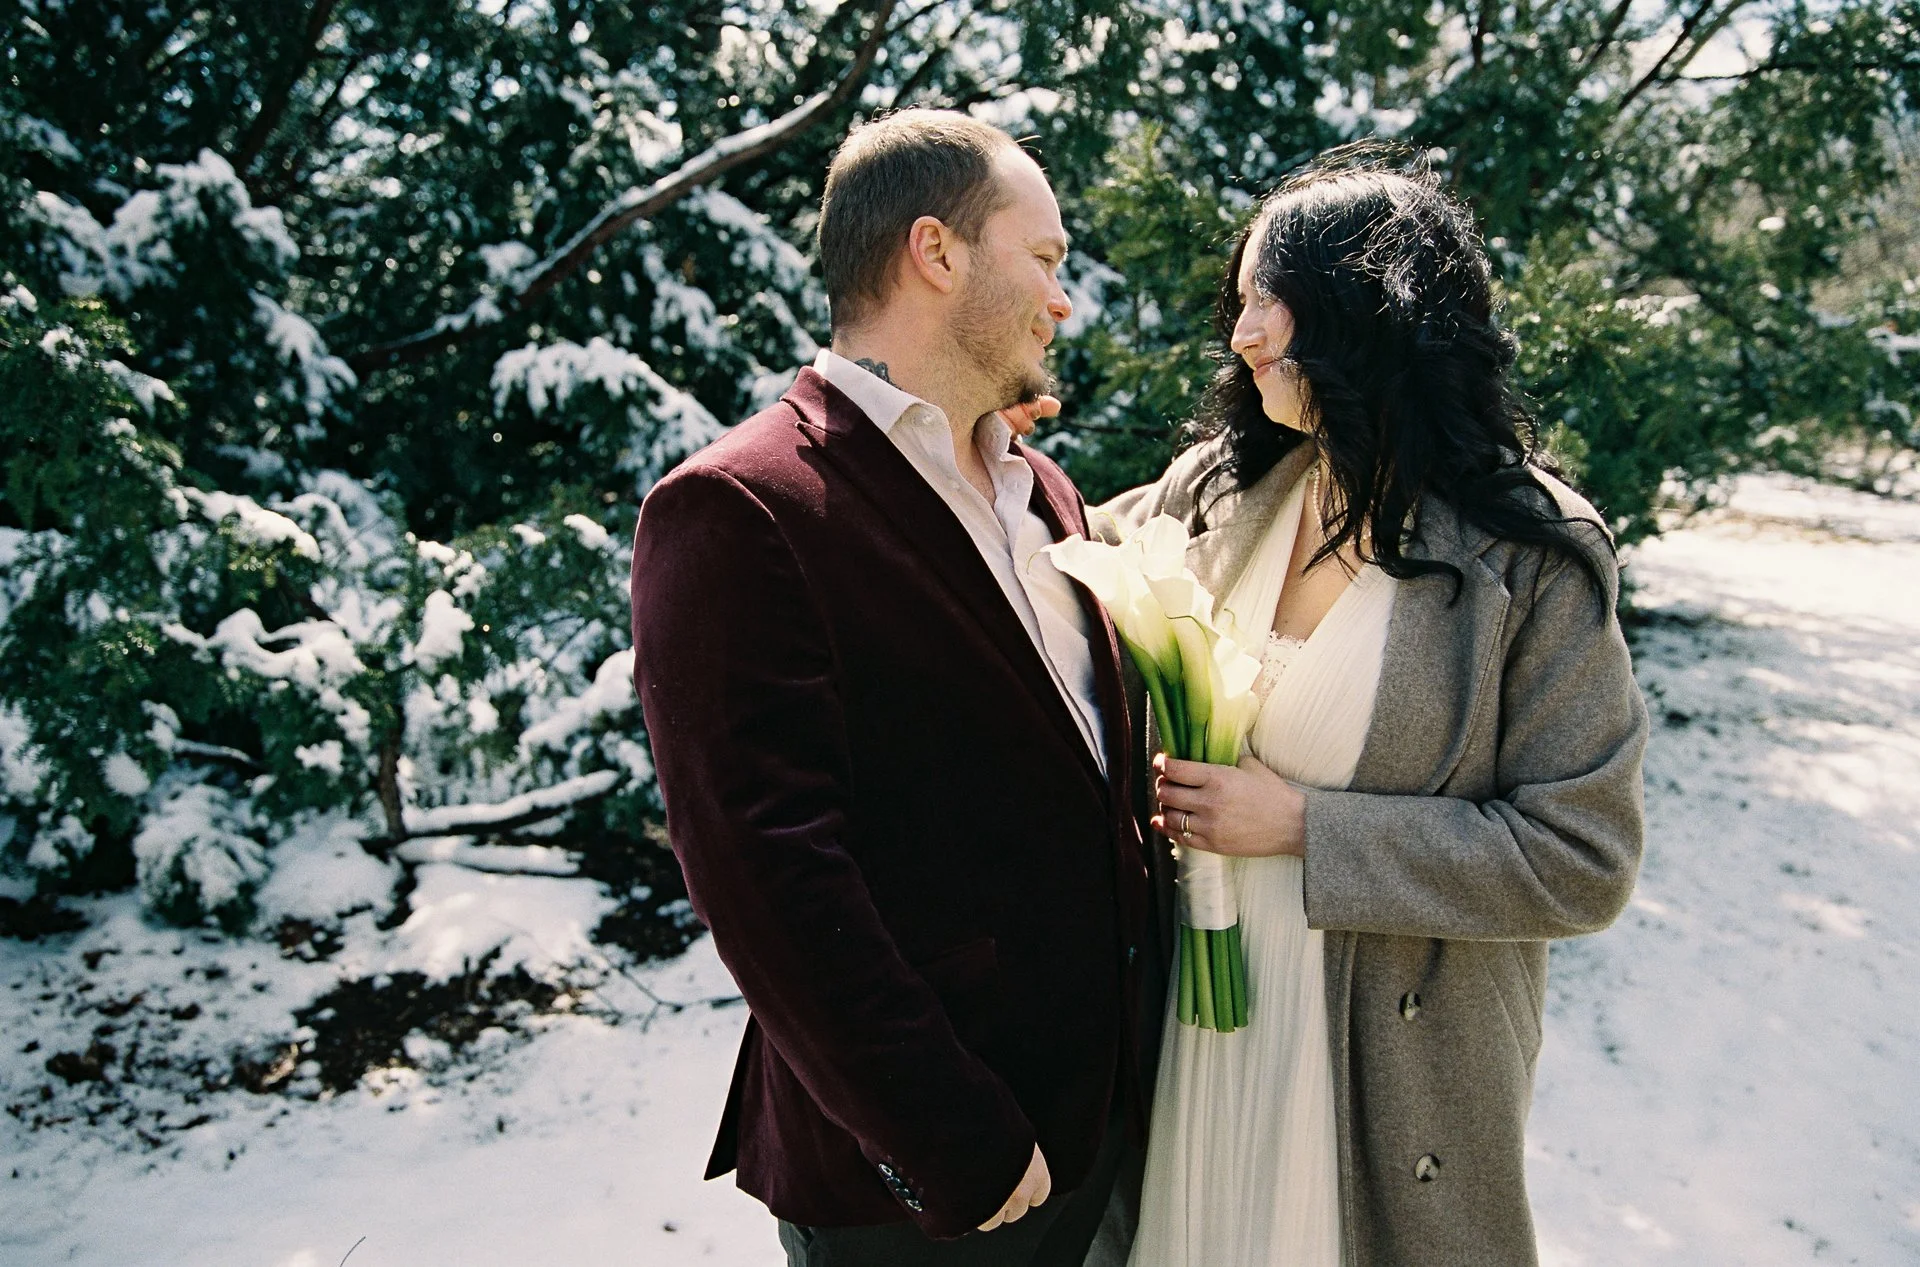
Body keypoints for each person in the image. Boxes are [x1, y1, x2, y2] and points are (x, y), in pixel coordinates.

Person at [1099, 146, 1650, 1266]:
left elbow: (1582, 857)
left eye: (1268, 298)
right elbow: (1056, 542)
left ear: (1365, 312)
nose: (1241, 332)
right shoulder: (1225, 490)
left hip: (1373, 1076)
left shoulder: (1533, 552)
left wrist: (1306, 828)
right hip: (1197, 1044)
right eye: (1239, 300)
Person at [629, 109, 1155, 1267]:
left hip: (1091, 1140)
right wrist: (953, 1139)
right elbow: (768, 878)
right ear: (937, 252)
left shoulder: (1047, 494)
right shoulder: (738, 509)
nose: (1064, 299)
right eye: (1047, 258)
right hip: (918, 1195)